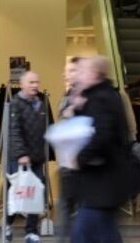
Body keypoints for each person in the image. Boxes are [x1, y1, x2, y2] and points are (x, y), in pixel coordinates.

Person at [70, 56, 135, 243]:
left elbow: (102, 134)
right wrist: (78, 107)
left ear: (94, 73)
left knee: (83, 232)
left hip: (103, 179)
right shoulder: (102, 95)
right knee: (104, 231)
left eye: (82, 71)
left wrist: (80, 158)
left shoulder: (101, 98)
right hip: (106, 180)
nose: (79, 75)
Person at [6, 71, 48, 243]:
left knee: (35, 194)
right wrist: (21, 154)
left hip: (36, 157)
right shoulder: (15, 104)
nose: (35, 85)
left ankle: (31, 231)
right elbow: (14, 130)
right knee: (17, 192)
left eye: (36, 82)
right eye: (31, 82)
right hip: (19, 158)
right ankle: (7, 224)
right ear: (22, 84)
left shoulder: (40, 104)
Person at [56, 56, 81, 243]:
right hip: (68, 160)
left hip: (85, 161)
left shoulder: (91, 96)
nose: (66, 74)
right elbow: (61, 118)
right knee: (65, 205)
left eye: (71, 70)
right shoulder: (68, 94)